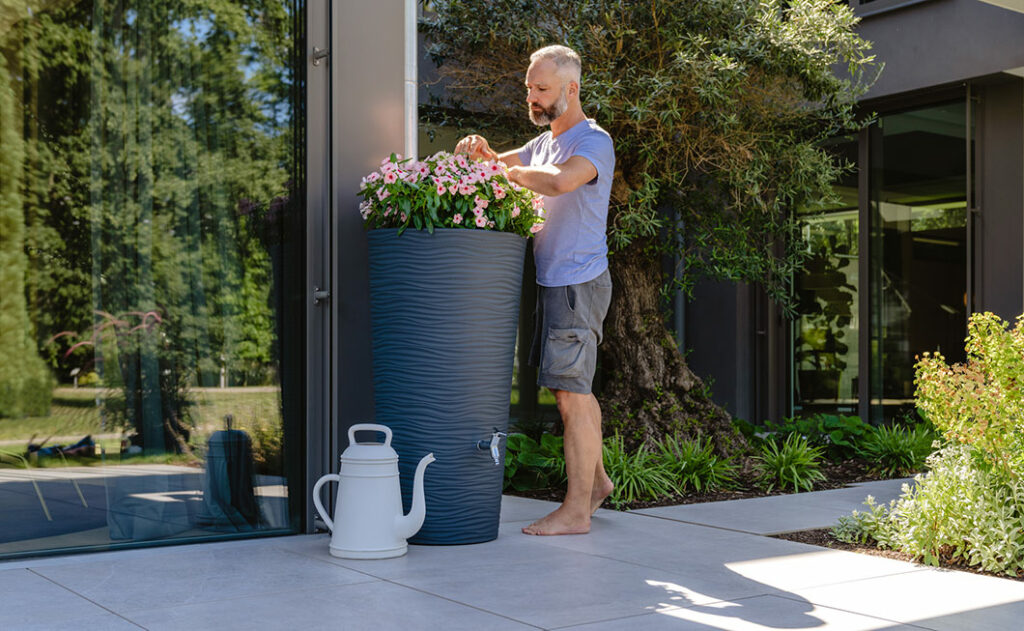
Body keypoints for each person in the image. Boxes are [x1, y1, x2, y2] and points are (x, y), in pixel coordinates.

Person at [455, 45, 615, 536]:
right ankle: (598, 484)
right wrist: (477, 153)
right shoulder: (541, 144)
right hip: (554, 282)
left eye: (541, 89)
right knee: (572, 392)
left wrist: (507, 170)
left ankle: (575, 511)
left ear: (571, 89)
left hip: (578, 283)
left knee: (570, 395)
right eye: (529, 88)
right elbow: (496, 164)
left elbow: (562, 182)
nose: (533, 97)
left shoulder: (593, 141)